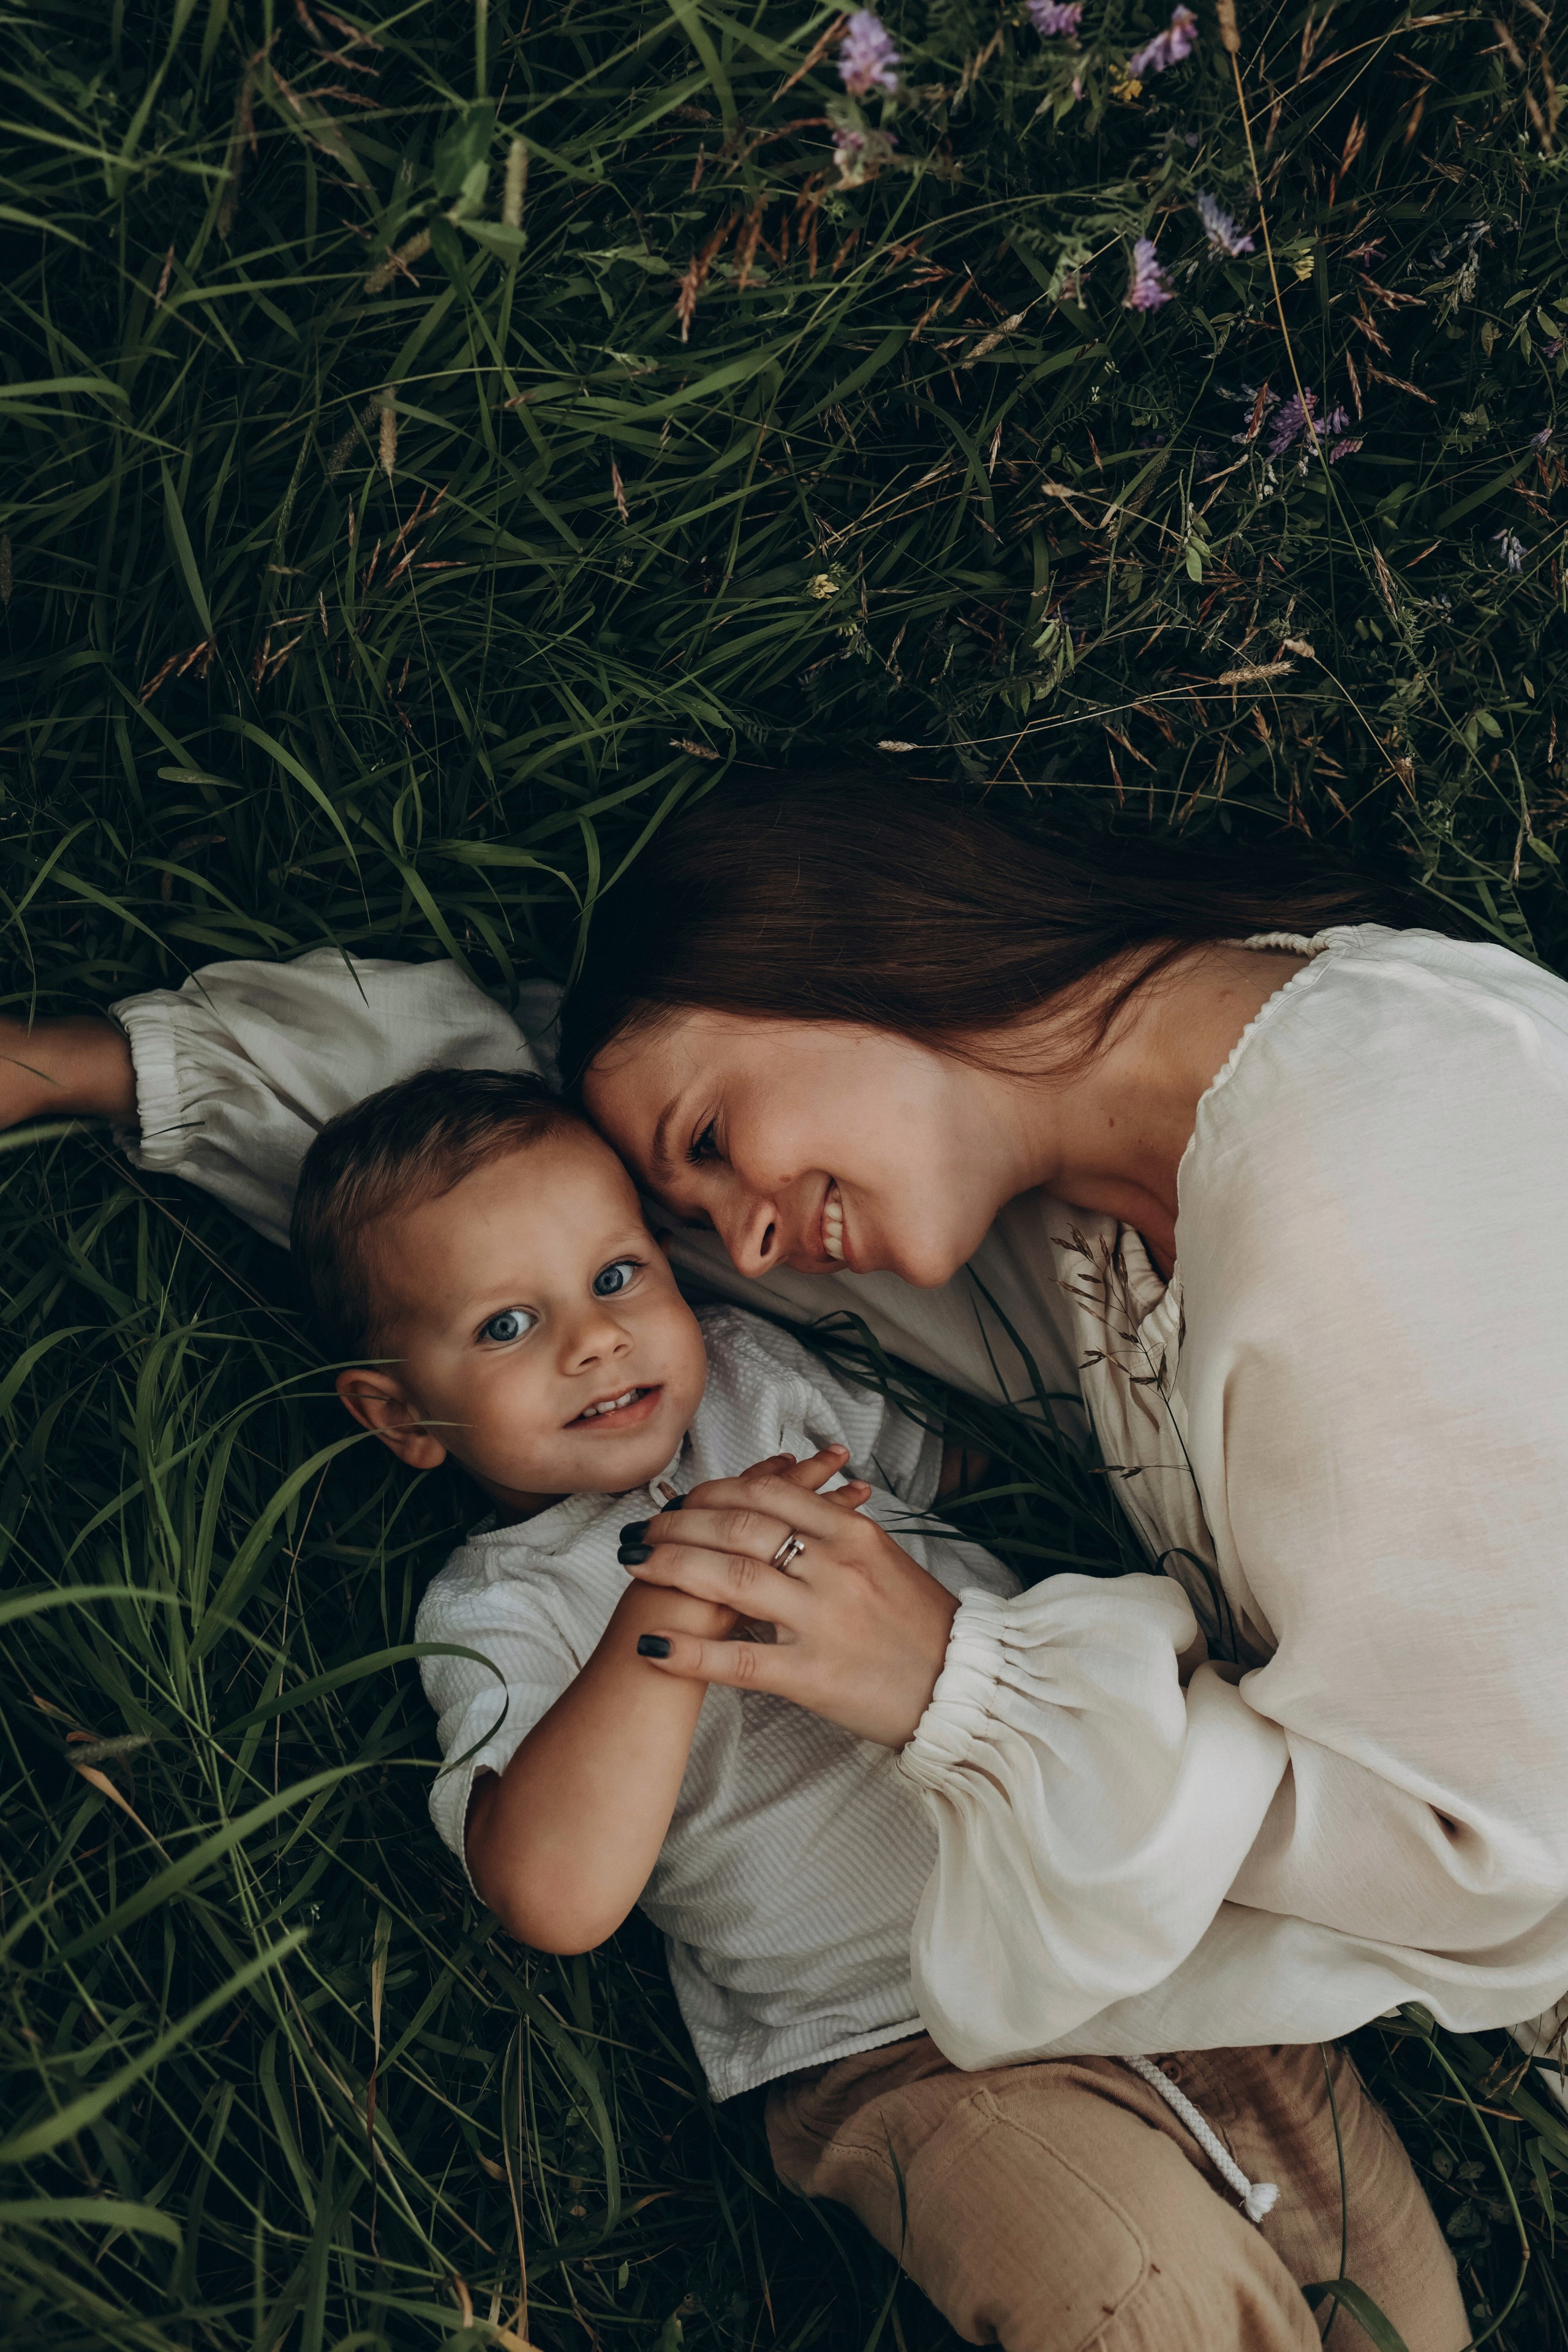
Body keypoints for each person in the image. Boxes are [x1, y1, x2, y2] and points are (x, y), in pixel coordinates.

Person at [0, 785, 1507, 2346]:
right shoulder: (515, 1604)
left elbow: (969, 1466)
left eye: (620, 1272)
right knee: (1143, 2306)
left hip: (1192, 1964)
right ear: (399, 1420)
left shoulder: (760, 1377)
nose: (596, 1334)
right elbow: (552, 1891)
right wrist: (664, 1620)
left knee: (1403, 2307)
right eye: (510, 1328)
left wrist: (967, 1594)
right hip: (903, 2051)